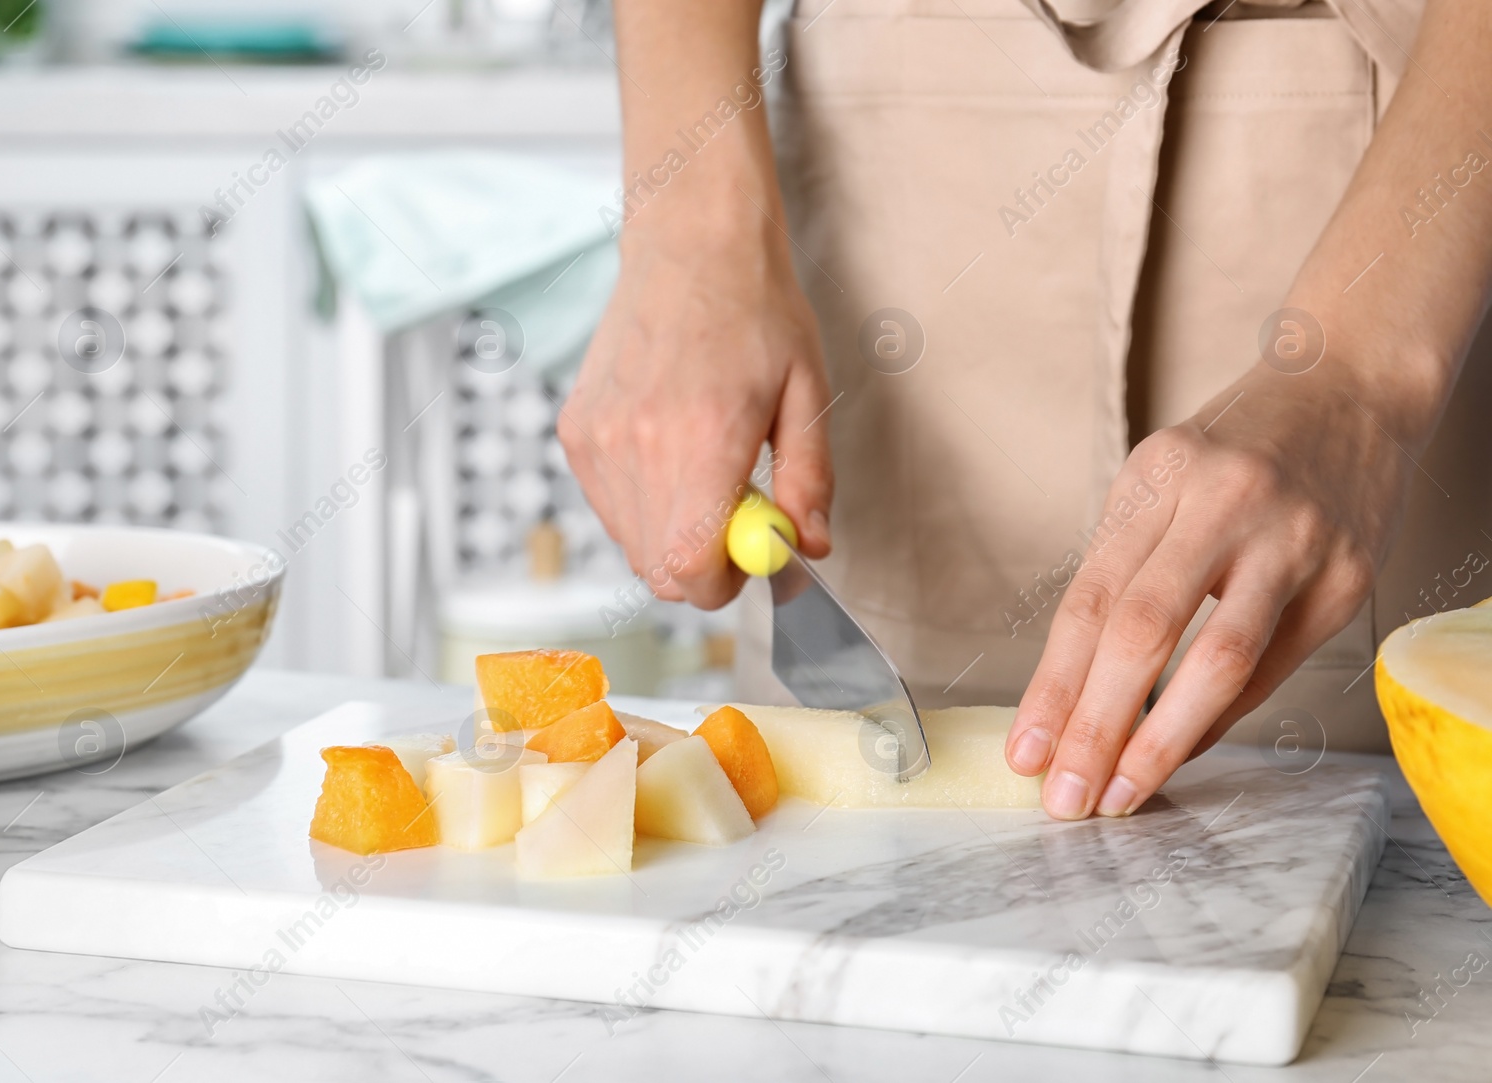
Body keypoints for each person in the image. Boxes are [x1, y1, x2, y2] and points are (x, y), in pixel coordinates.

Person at [559, 0, 1492, 820]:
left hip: (1400, 192)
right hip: (890, 167)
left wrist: (1359, 378)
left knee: (1365, 868)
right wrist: (690, 228)